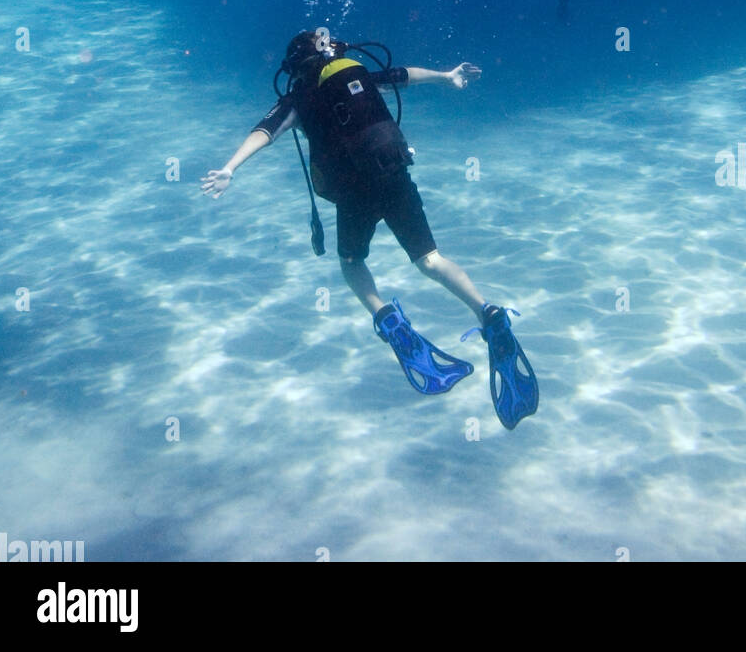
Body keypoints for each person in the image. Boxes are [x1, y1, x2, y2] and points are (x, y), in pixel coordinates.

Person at [200, 28, 539, 429]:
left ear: (296, 66)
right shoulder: (355, 71)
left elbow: (265, 131)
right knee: (430, 260)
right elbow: (404, 75)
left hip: (353, 191)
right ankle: (489, 312)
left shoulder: (299, 95)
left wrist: (229, 168)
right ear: (333, 51)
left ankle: (387, 318)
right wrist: (447, 76)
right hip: (394, 172)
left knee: (351, 262)